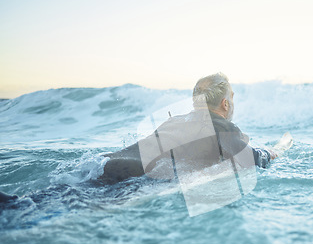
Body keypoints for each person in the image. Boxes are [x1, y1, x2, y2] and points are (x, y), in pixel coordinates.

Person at [99, 73, 276, 184]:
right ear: (225, 104)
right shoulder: (221, 128)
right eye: (232, 98)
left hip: (103, 164)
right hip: (131, 180)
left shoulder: (173, 122)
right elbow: (253, 160)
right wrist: (271, 152)